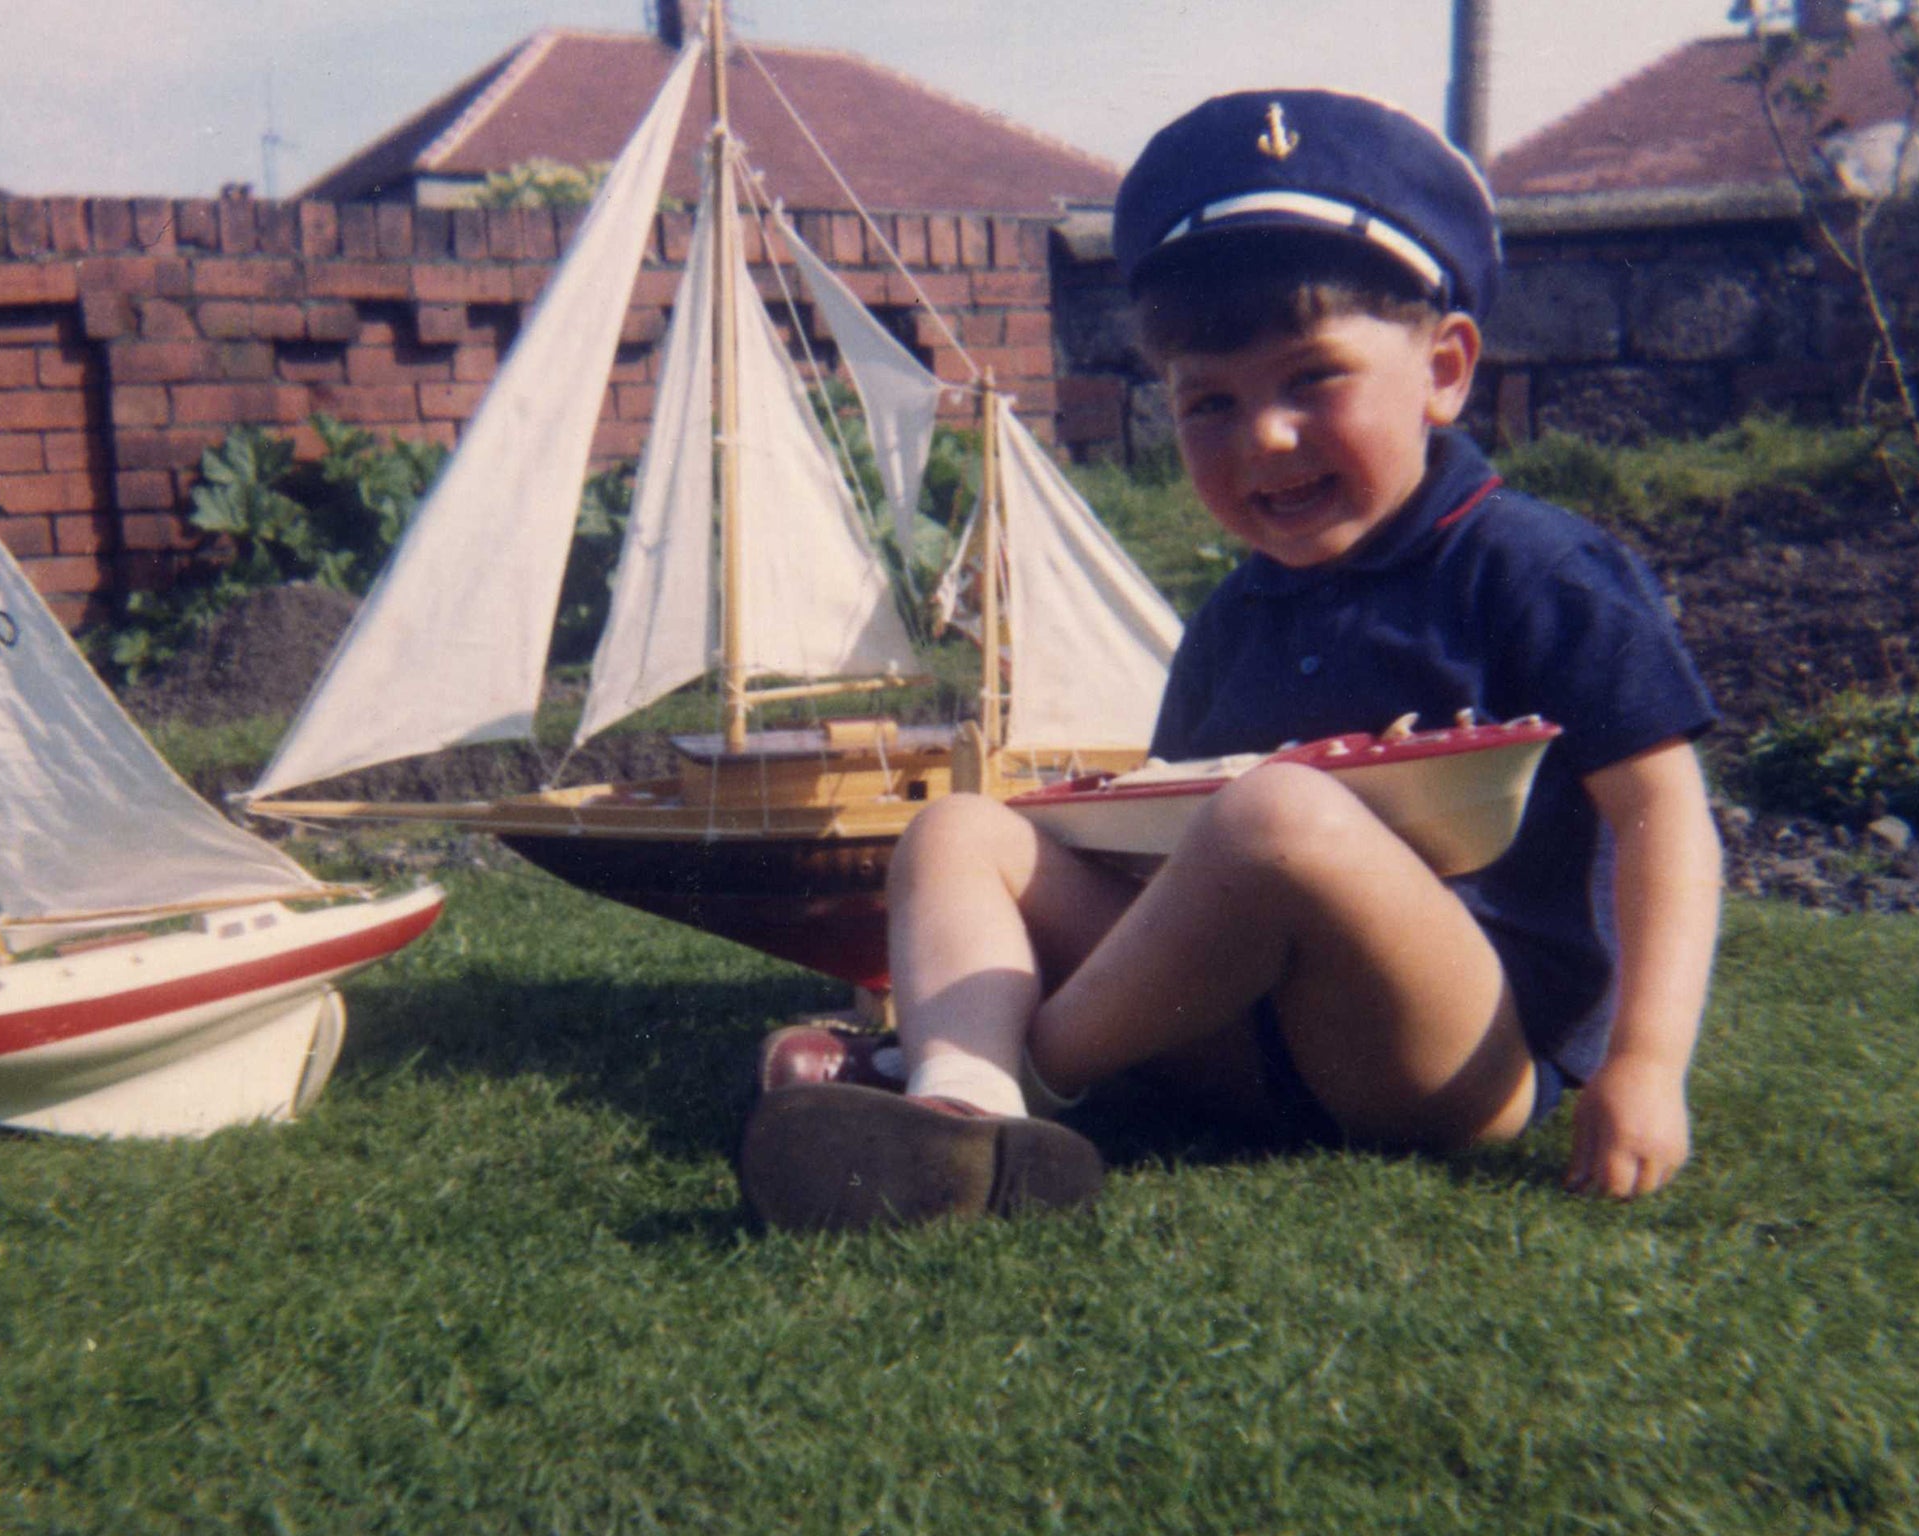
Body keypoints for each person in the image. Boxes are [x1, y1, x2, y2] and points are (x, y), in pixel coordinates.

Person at [737, 88, 1723, 1232]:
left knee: (1276, 812)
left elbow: (1662, 818)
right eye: (1208, 400)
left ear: (1444, 369)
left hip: (1448, 1056)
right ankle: (961, 1086)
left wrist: (1645, 1060)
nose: (1263, 436)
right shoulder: (1233, 616)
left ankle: (991, 1084)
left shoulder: (1538, 571)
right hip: (1233, 1045)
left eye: (1313, 377)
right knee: (962, 827)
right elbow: (1167, 866)